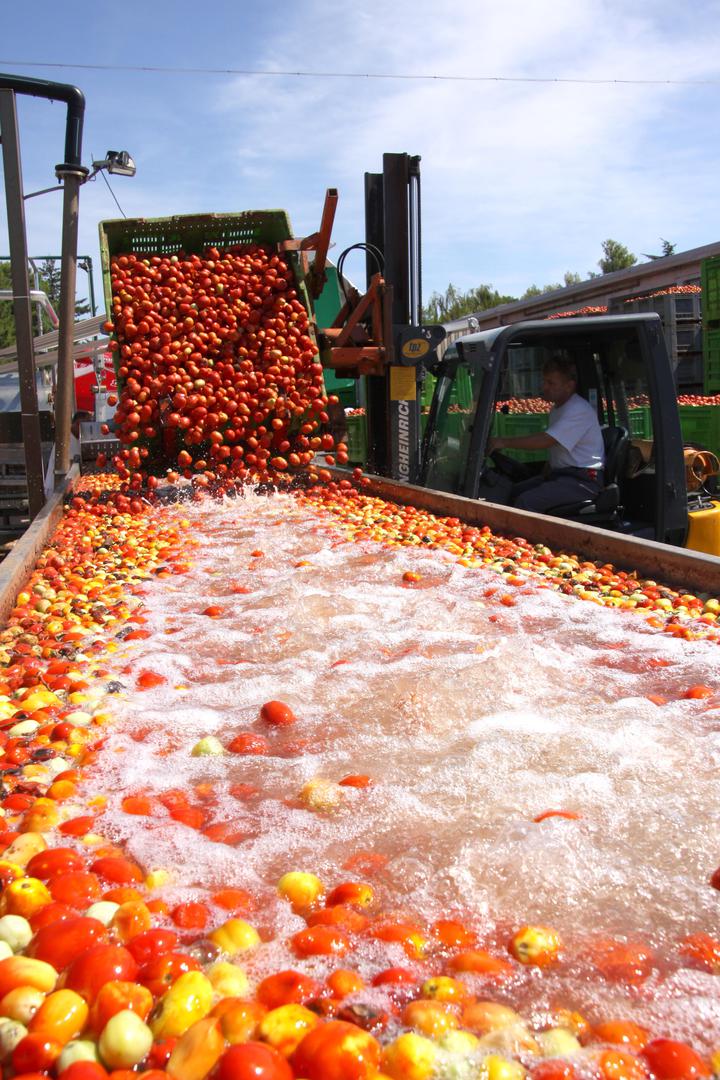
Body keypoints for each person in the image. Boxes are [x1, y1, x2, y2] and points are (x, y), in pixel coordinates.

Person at [487, 355, 605, 513]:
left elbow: (546, 440)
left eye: (551, 383)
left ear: (569, 386)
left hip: (582, 481)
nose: (544, 387)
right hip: (562, 475)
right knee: (513, 491)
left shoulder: (578, 410)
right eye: (544, 381)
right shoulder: (558, 408)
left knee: (525, 501)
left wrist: (502, 442)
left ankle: (521, 538)